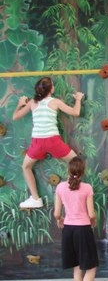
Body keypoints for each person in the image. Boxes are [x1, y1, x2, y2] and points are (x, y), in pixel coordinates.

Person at [12, 77, 84, 209]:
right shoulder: (55, 102)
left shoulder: (33, 103)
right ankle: (71, 188)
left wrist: (21, 103)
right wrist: (78, 99)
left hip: (38, 142)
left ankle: (35, 198)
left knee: (26, 167)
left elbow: (15, 116)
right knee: (75, 161)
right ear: (52, 89)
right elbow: (76, 112)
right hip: (52, 140)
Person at [54, 156, 103, 281]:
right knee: (90, 268)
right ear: (83, 172)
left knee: (77, 267)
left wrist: (60, 219)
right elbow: (90, 213)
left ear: (68, 170)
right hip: (83, 230)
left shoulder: (60, 187)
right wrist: (94, 220)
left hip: (68, 230)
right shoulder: (87, 187)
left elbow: (56, 213)